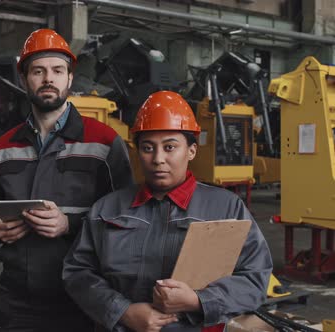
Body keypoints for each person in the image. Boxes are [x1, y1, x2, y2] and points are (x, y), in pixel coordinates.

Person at [62, 91, 273, 332]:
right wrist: (123, 311)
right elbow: (78, 272)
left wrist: (197, 301)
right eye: (148, 148)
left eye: (170, 147)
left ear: (191, 151)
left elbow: (255, 278)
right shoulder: (107, 208)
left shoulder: (226, 208)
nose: (158, 159)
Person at [0, 28, 133, 331]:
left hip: (82, 299)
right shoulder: (3, 147)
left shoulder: (104, 142)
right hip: (15, 296)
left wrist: (69, 224)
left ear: (69, 78)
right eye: (38, 71)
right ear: (24, 80)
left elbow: (128, 219)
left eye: (57, 70)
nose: (48, 78)